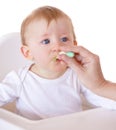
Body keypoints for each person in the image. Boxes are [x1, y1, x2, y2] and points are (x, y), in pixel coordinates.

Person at [0, 6, 116, 120]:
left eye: (64, 39)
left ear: (74, 46)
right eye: (46, 41)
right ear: (28, 53)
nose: (57, 46)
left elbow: (105, 100)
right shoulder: (19, 79)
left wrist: (102, 85)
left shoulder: (78, 76)